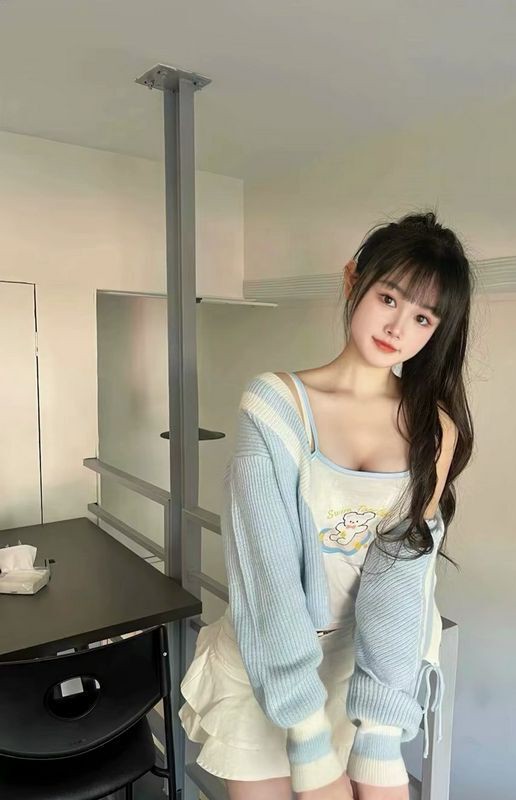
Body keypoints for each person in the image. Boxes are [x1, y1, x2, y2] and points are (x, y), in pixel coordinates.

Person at [178, 210, 475, 800]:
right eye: (388, 298)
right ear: (352, 280)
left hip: (359, 666)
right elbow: (267, 571)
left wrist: (380, 735)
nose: (398, 327)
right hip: (268, 660)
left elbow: (401, 576)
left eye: (422, 318)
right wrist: (309, 740)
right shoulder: (275, 405)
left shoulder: (434, 430)